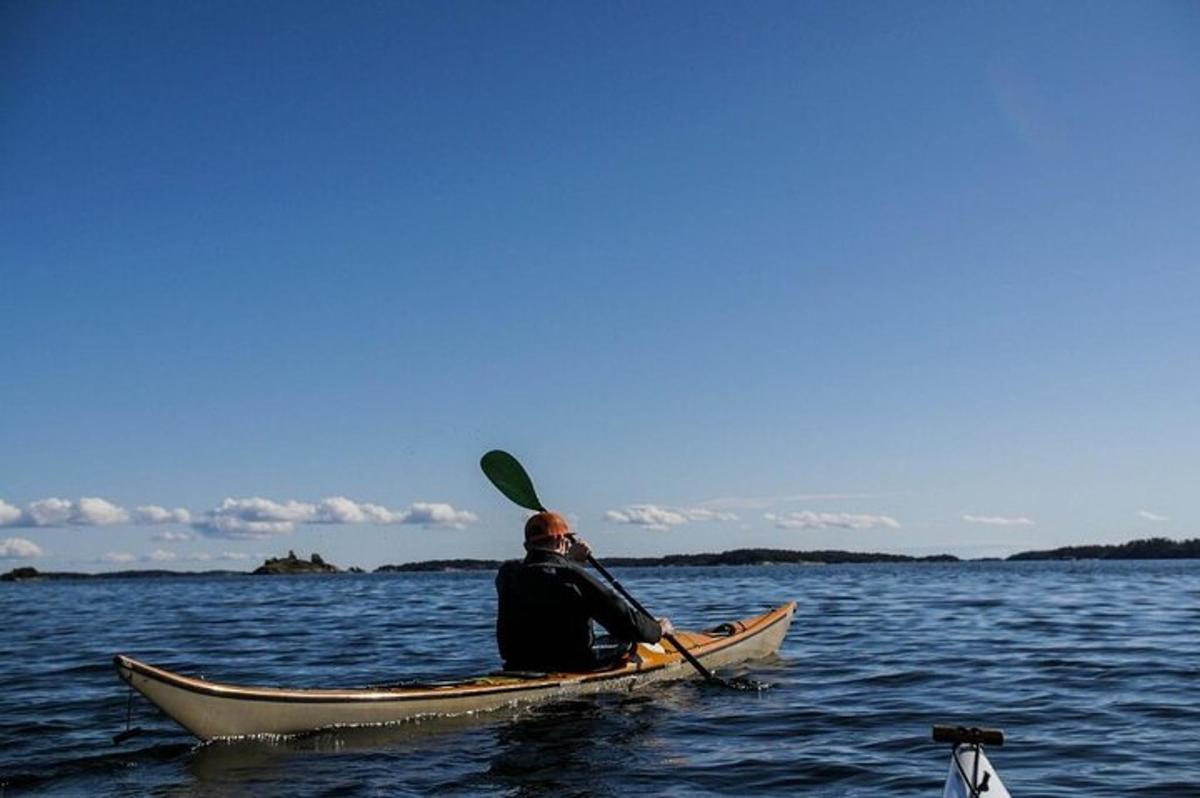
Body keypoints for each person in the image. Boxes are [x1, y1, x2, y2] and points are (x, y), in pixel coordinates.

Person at [495, 511, 673, 672]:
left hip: (517, 664)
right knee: (627, 642)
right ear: (561, 541)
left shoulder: (507, 574)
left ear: (526, 546)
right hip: (572, 664)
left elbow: (542, 573)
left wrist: (568, 561)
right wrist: (658, 629)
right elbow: (625, 624)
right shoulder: (572, 576)